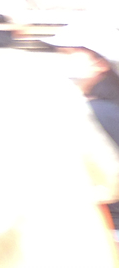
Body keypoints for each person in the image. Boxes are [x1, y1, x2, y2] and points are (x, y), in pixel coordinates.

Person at [0, 10, 119, 266]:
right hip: (87, 245)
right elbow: (107, 173)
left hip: (33, 245)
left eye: (70, 52)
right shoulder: (55, 82)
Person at [51, 24, 119, 243]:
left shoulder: (97, 112)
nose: (62, 60)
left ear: (99, 63)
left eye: (70, 54)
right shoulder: (102, 106)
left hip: (107, 229)